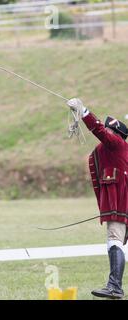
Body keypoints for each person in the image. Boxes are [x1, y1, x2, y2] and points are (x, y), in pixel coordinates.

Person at [68, 98, 128, 299]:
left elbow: (98, 129)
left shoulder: (116, 144)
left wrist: (83, 111)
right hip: (118, 203)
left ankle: (115, 287)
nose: (106, 134)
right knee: (114, 242)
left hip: (120, 203)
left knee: (114, 241)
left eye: (109, 131)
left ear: (117, 135)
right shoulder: (110, 150)